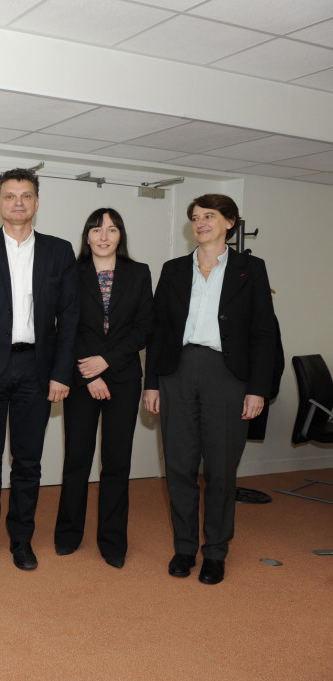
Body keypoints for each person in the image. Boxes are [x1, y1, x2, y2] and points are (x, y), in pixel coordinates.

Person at [143, 194, 276, 586]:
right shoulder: (172, 270)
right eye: (196, 218)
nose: (201, 223)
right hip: (177, 373)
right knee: (179, 468)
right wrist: (151, 383)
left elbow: (264, 334)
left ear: (230, 222)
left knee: (219, 471)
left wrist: (257, 390)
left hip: (227, 376)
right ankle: (184, 548)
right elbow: (159, 333)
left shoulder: (251, 269)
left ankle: (215, 551)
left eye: (210, 216)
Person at [0, 167, 78, 571]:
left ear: (37, 203)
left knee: (28, 461)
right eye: (10, 196)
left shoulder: (59, 251)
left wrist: (62, 374)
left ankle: (21, 540)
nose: (18, 202)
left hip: (37, 369)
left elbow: (70, 317)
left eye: (26, 196)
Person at [53, 208, 153, 569]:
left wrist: (106, 362)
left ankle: (112, 542)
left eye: (111, 229)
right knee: (76, 459)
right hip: (82, 379)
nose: (104, 236)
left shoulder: (139, 273)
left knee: (116, 463)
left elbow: (144, 327)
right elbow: (65, 324)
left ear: (120, 235)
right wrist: (90, 372)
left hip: (124, 377)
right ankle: (68, 534)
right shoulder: (72, 272)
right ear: (87, 236)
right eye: (97, 229)